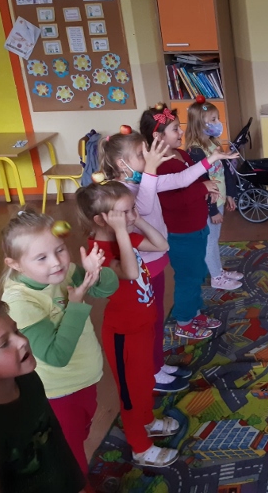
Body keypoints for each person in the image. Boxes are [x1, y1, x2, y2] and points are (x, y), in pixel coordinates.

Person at [99, 129, 232, 388]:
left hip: (155, 263)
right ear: (121, 164)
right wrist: (150, 170)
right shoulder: (120, 191)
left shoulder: (145, 180)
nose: (148, 158)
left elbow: (181, 179)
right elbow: (144, 207)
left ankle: (157, 365)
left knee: (157, 318)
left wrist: (211, 159)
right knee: (149, 323)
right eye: (141, 155)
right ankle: (151, 373)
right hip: (142, 268)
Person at [0, 209, 118, 475]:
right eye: (41, 257)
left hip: (85, 379)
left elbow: (107, 288)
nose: (56, 262)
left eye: (60, 250)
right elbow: (56, 355)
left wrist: (96, 273)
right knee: (70, 454)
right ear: (15, 264)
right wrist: (75, 304)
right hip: (60, 393)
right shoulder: (20, 302)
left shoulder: (64, 272)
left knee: (80, 434)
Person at [75, 180, 180, 468]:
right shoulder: (98, 252)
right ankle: (140, 447)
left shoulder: (125, 236)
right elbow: (131, 273)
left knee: (145, 381)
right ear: (102, 220)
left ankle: (146, 421)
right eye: (125, 211)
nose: (132, 215)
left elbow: (162, 245)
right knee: (131, 393)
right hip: (124, 334)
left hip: (143, 326)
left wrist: (136, 221)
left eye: (132, 209)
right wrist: (123, 231)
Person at [0, 297, 85, 492]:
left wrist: (77, 485)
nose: (22, 341)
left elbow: (56, 440)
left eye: (16, 330)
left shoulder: (28, 379)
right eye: (4, 343)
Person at [139, 104, 233, 340]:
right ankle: (183, 320)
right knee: (187, 278)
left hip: (198, 226)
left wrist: (207, 191)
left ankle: (195, 313)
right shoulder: (159, 166)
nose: (181, 132)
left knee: (197, 273)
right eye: (175, 129)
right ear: (158, 136)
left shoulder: (180, 154)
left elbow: (192, 180)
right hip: (180, 233)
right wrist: (202, 188)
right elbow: (172, 201)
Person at [183, 101, 244, 291]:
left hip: (219, 200)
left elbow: (225, 171)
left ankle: (218, 270)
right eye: (213, 119)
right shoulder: (195, 151)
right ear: (199, 123)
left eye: (217, 118)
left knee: (214, 239)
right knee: (210, 241)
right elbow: (203, 184)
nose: (218, 123)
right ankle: (216, 277)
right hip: (209, 205)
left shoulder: (213, 143)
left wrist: (230, 195)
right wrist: (212, 211)